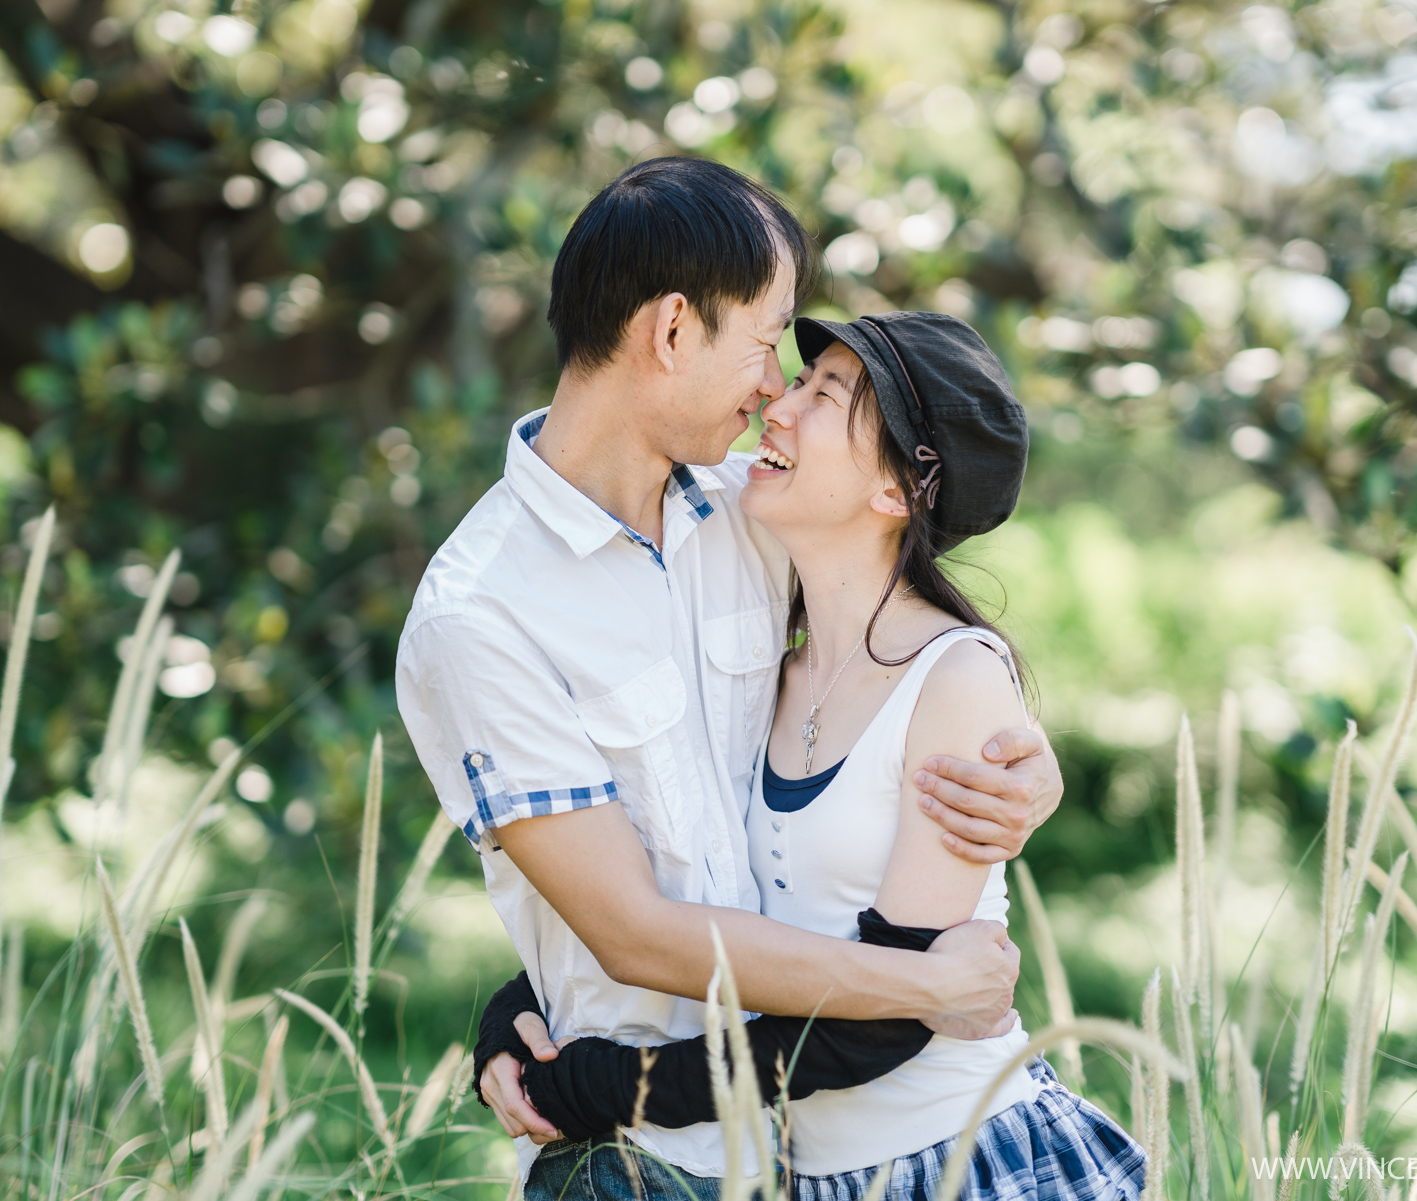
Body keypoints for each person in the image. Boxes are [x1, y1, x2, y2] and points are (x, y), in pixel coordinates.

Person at [395, 156, 1063, 1199]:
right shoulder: (480, 614)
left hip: (793, 1150)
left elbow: (894, 666)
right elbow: (630, 926)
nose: (773, 391)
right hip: (633, 1156)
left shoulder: (745, 524)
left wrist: (1026, 770)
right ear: (671, 332)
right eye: (767, 342)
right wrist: (928, 986)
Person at [477, 313, 1147, 1201]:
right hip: (808, 1176)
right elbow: (697, 891)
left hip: (957, 1161)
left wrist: (602, 1086)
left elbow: (891, 1022)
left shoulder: (952, 680)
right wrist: (519, 1021)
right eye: (796, 381)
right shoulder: (761, 664)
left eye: (823, 396)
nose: (776, 408)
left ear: (900, 490)